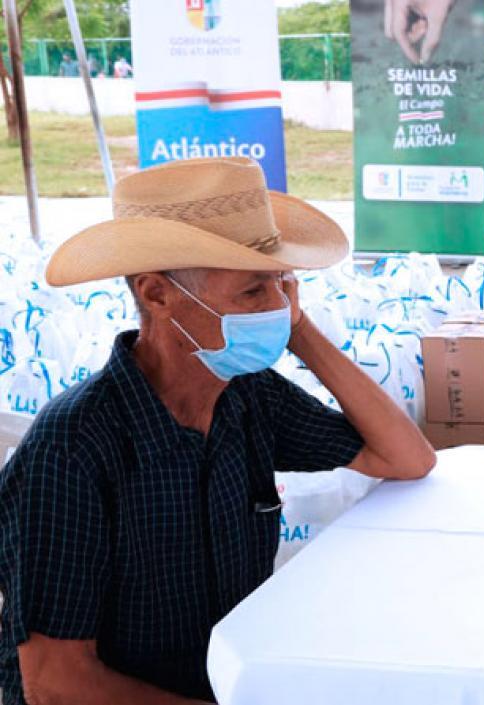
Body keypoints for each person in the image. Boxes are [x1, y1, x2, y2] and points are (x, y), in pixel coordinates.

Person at [0, 157, 437, 705]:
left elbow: (405, 457)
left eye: (283, 286)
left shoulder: (248, 396)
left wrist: (298, 332)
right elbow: (55, 685)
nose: (278, 306)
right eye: (255, 294)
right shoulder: (72, 450)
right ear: (157, 295)